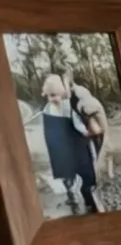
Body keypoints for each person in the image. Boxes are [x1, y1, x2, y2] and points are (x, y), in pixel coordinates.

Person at [38, 73, 101, 214]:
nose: (54, 99)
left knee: (86, 175)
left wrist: (87, 132)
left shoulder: (68, 107)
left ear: (62, 94)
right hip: (61, 149)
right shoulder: (47, 110)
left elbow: (79, 126)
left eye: (56, 95)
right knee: (67, 175)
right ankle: (72, 197)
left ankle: (88, 199)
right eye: (50, 96)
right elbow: (49, 133)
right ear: (46, 95)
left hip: (76, 147)